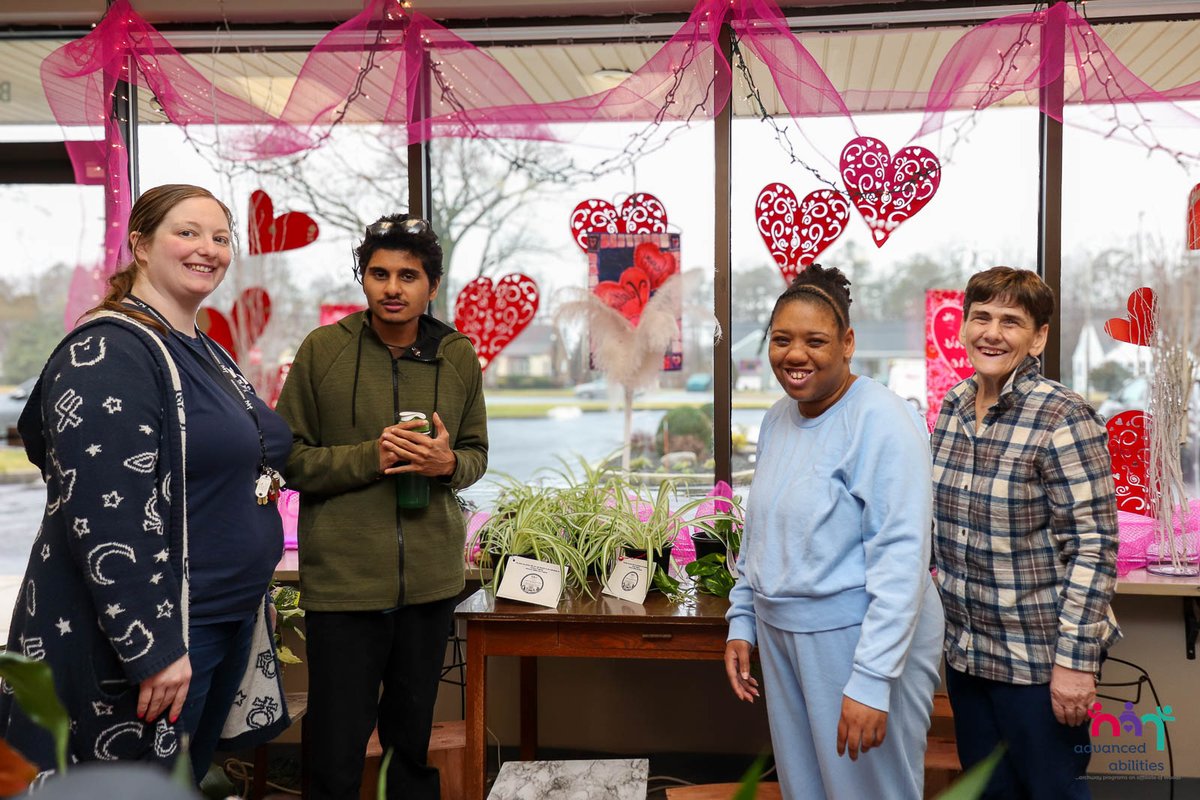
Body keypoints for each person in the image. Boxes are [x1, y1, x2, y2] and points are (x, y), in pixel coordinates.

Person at [0, 184, 291, 781]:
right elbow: (105, 512)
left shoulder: (197, 345)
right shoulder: (111, 349)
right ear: (140, 243)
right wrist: (152, 649)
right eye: (187, 232)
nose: (207, 248)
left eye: (219, 236)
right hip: (166, 636)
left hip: (222, 617)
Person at [275, 213, 488, 800]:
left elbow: (475, 454)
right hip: (344, 582)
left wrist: (447, 466)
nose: (393, 287)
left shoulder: (457, 354)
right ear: (363, 279)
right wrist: (372, 457)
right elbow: (289, 460)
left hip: (429, 582)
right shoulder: (325, 351)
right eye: (379, 273)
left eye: (409, 275)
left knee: (410, 740)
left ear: (432, 285)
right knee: (336, 744)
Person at [724, 265, 943, 800]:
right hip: (783, 635)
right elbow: (763, 531)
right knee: (806, 790)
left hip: (859, 640)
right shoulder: (779, 417)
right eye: (782, 339)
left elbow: (902, 557)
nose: (795, 354)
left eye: (815, 341)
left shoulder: (882, 419)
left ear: (847, 344)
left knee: (869, 792)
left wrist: (871, 680)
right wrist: (742, 618)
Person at [931, 266, 1120, 798]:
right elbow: (936, 524)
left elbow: (1094, 546)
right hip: (968, 656)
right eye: (981, 317)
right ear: (964, 327)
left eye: (1011, 321)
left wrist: (1074, 665)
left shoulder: (1063, 415)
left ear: (1038, 337)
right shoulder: (952, 408)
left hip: (1039, 665)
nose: (992, 332)